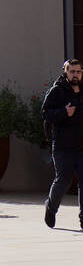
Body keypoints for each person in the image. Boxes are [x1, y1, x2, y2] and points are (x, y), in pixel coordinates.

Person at [43, 58, 83, 228]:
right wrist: (64, 112)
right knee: (63, 180)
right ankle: (51, 207)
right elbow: (45, 113)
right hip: (63, 147)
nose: (75, 75)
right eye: (72, 71)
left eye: (78, 71)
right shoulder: (57, 91)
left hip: (82, 146)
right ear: (65, 72)